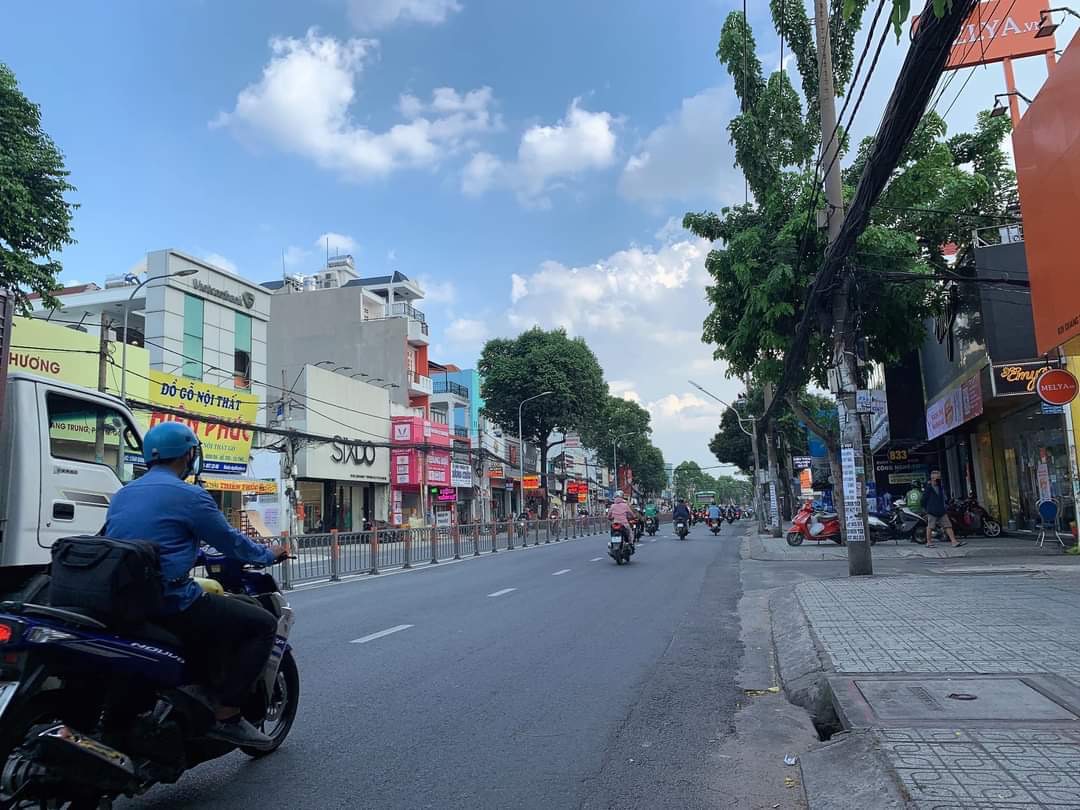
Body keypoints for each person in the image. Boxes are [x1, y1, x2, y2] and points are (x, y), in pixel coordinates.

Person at [103, 422, 287, 749]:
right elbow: (231, 542)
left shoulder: (123, 494)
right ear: (188, 455)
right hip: (169, 601)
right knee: (262, 624)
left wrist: (191, 552)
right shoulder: (191, 495)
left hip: (124, 600)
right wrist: (268, 554)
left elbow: (140, 541)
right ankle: (227, 715)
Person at [922, 470, 964, 549]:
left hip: (941, 510)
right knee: (930, 526)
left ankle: (954, 541)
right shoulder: (928, 488)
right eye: (937, 478)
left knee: (948, 525)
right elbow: (923, 500)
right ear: (933, 479)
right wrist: (926, 509)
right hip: (932, 510)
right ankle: (929, 542)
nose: (939, 479)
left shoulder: (940, 487)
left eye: (939, 478)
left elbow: (943, 498)